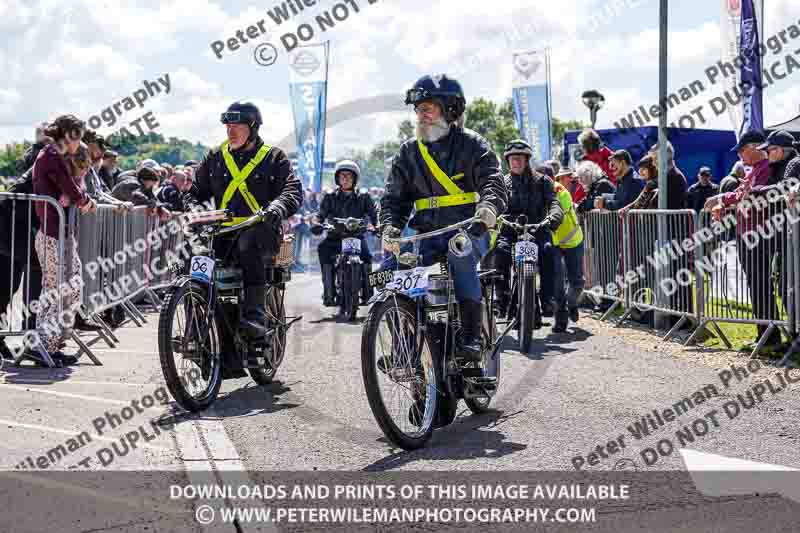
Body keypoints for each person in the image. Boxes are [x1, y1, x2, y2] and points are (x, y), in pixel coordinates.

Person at [380, 74, 507, 361]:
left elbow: (493, 182)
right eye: (418, 110)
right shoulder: (408, 152)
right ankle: (404, 347)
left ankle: (472, 337)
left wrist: (487, 209)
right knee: (391, 267)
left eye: (428, 108)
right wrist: (390, 226)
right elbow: (393, 198)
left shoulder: (473, 145)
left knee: (459, 255)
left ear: (450, 110)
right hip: (425, 234)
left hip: (470, 228)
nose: (420, 115)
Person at [184, 101, 302, 336]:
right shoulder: (215, 157)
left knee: (249, 242)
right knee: (193, 252)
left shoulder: (274, 157)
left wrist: (276, 208)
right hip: (221, 233)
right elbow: (194, 192)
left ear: (253, 128)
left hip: (260, 228)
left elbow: (292, 191)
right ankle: (194, 324)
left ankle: (255, 315)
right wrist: (195, 210)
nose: (231, 131)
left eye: (237, 126)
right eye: (227, 126)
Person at [704, 131, 784, 352]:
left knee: (760, 284)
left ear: (755, 147)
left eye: (742, 149)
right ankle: (766, 335)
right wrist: (726, 202)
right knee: (757, 285)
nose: (739, 154)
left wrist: (722, 199)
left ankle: (770, 337)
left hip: (757, 234)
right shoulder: (756, 170)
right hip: (748, 233)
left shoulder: (766, 168)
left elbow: (747, 196)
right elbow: (742, 193)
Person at [30, 116, 97, 365]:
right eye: (76, 136)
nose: (79, 142)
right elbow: (70, 188)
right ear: (65, 135)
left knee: (72, 285)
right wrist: (85, 201)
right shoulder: (50, 156)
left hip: (61, 232)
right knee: (54, 290)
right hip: (50, 234)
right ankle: (40, 346)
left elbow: (74, 187)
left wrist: (82, 197)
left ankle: (53, 342)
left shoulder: (57, 156)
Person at [483, 139, 564, 331]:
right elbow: (494, 202)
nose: (515, 163)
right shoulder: (503, 182)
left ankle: (547, 299)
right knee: (500, 252)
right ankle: (501, 299)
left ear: (527, 160)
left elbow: (553, 202)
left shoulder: (543, 181)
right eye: (511, 159)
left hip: (538, 228)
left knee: (548, 251)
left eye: (519, 159)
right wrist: (491, 214)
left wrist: (554, 215)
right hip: (511, 229)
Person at [314, 160, 377, 306]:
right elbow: (320, 214)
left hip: (356, 237)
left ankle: (368, 294)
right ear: (337, 178)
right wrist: (317, 223)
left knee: (367, 257)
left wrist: (377, 225)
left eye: (349, 175)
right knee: (323, 249)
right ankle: (329, 292)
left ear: (355, 178)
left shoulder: (364, 196)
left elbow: (374, 214)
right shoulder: (330, 196)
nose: (345, 178)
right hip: (335, 237)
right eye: (342, 175)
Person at [0, 165, 43, 360]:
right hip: (8, 237)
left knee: (8, 289)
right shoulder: (41, 163)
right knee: (3, 289)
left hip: (15, 240)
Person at [551, 174, 584, 324]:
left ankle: (572, 303)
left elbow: (560, 211)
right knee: (556, 280)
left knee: (576, 280)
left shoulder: (561, 192)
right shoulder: (534, 191)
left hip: (572, 241)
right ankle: (561, 315)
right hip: (555, 243)